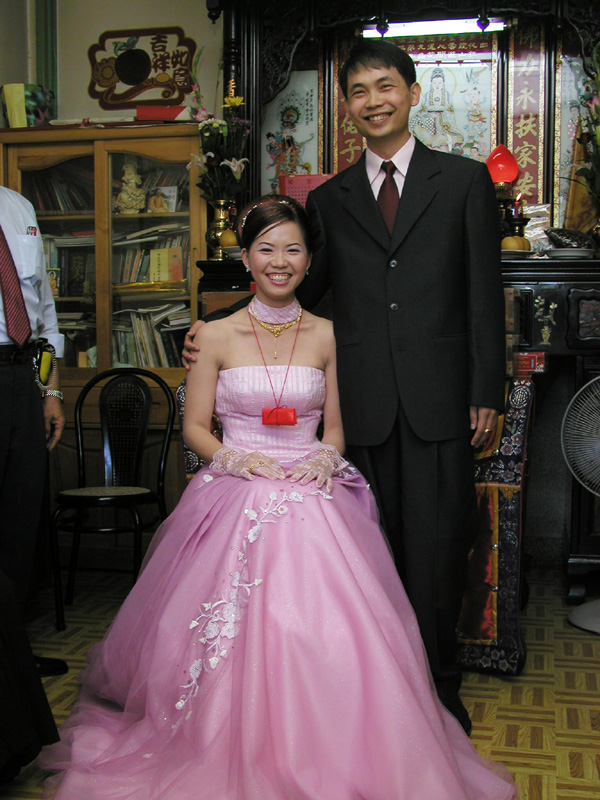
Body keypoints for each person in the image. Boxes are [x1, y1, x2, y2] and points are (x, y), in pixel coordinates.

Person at [39, 195, 516, 799]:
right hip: (237, 480)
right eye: (266, 249)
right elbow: (195, 427)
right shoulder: (212, 335)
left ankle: (331, 736)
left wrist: (321, 459)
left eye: (293, 249)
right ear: (245, 258)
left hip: (310, 483)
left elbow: (336, 429)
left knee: (333, 619)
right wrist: (240, 461)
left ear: (310, 260)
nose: (280, 261)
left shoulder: (329, 335)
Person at [183, 39, 506, 736]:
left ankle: (438, 689)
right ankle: (377, 696)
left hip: (440, 399)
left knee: (438, 552)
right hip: (357, 404)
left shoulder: (463, 181)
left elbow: (485, 291)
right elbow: (296, 284)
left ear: (412, 93)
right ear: (347, 107)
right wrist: (219, 327)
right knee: (368, 560)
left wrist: (487, 390)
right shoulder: (329, 199)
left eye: (385, 86)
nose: (373, 102)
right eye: (358, 92)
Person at [0, 185, 65, 778]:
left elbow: (41, 308)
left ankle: (10, 667)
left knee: (19, 525)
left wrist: (50, 390)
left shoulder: (17, 207)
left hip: (23, 379)